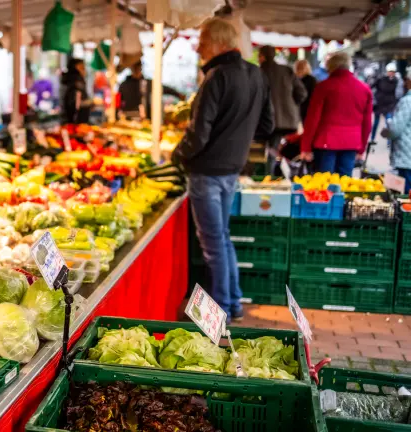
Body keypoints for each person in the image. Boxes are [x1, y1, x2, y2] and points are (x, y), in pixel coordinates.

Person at [172, 18, 273, 323]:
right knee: (222, 238)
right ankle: (234, 303)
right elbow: (266, 125)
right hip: (232, 169)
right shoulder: (255, 74)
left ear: (217, 42)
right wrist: (236, 137)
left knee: (213, 243)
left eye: (202, 40)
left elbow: (198, 134)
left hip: (206, 171)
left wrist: (175, 154)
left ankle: (223, 312)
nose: (199, 47)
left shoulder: (216, 77)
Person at [300, 53, 373, 176]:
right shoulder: (364, 89)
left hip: (326, 142)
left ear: (330, 67)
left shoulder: (323, 87)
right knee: (344, 182)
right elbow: (367, 122)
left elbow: (313, 119)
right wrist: (362, 148)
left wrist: (306, 146)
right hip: (351, 142)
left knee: (324, 183)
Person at [258, 45, 308, 173]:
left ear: (261, 57)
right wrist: (290, 105)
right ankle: (269, 173)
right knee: (274, 147)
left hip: (263, 119)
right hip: (286, 120)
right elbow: (302, 93)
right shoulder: (286, 70)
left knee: (264, 147)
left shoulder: (258, 72)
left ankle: (266, 175)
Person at [118, 61, 185, 120]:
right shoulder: (124, 85)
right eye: (134, 67)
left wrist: (178, 94)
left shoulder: (148, 83)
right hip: (127, 119)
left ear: (141, 67)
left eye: (138, 66)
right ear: (131, 68)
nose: (136, 69)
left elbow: (164, 88)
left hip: (146, 119)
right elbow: (118, 102)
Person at [387, 76, 411, 193]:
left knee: (406, 195)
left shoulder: (408, 101)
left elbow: (395, 129)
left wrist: (389, 124)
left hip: (407, 156)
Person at [371, 63, 403, 142]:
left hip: (390, 105)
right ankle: (372, 139)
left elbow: (399, 93)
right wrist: (373, 99)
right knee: (376, 123)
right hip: (379, 104)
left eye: (393, 72)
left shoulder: (396, 81)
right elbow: (371, 87)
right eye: (390, 71)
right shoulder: (381, 79)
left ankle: (389, 141)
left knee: (389, 123)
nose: (391, 73)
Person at [61, 58, 91, 124]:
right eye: (82, 68)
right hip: (76, 122)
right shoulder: (76, 81)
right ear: (76, 68)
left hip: (69, 119)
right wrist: (91, 102)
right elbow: (76, 104)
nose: (84, 70)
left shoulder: (68, 79)